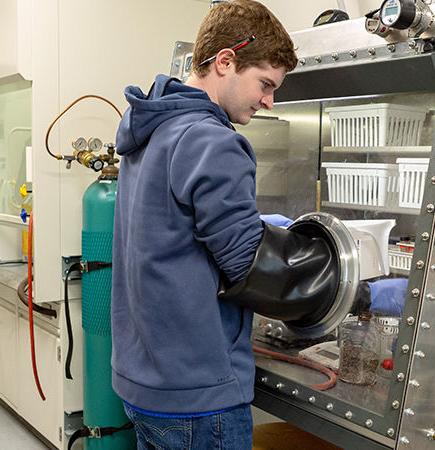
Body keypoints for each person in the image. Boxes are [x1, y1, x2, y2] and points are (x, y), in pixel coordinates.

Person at [110, 1, 297, 448]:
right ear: (226, 61)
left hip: (143, 381)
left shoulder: (151, 126)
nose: (269, 101)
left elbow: (172, 228)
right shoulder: (213, 140)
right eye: (265, 84)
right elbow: (252, 271)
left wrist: (253, 224)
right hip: (197, 396)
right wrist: (358, 291)